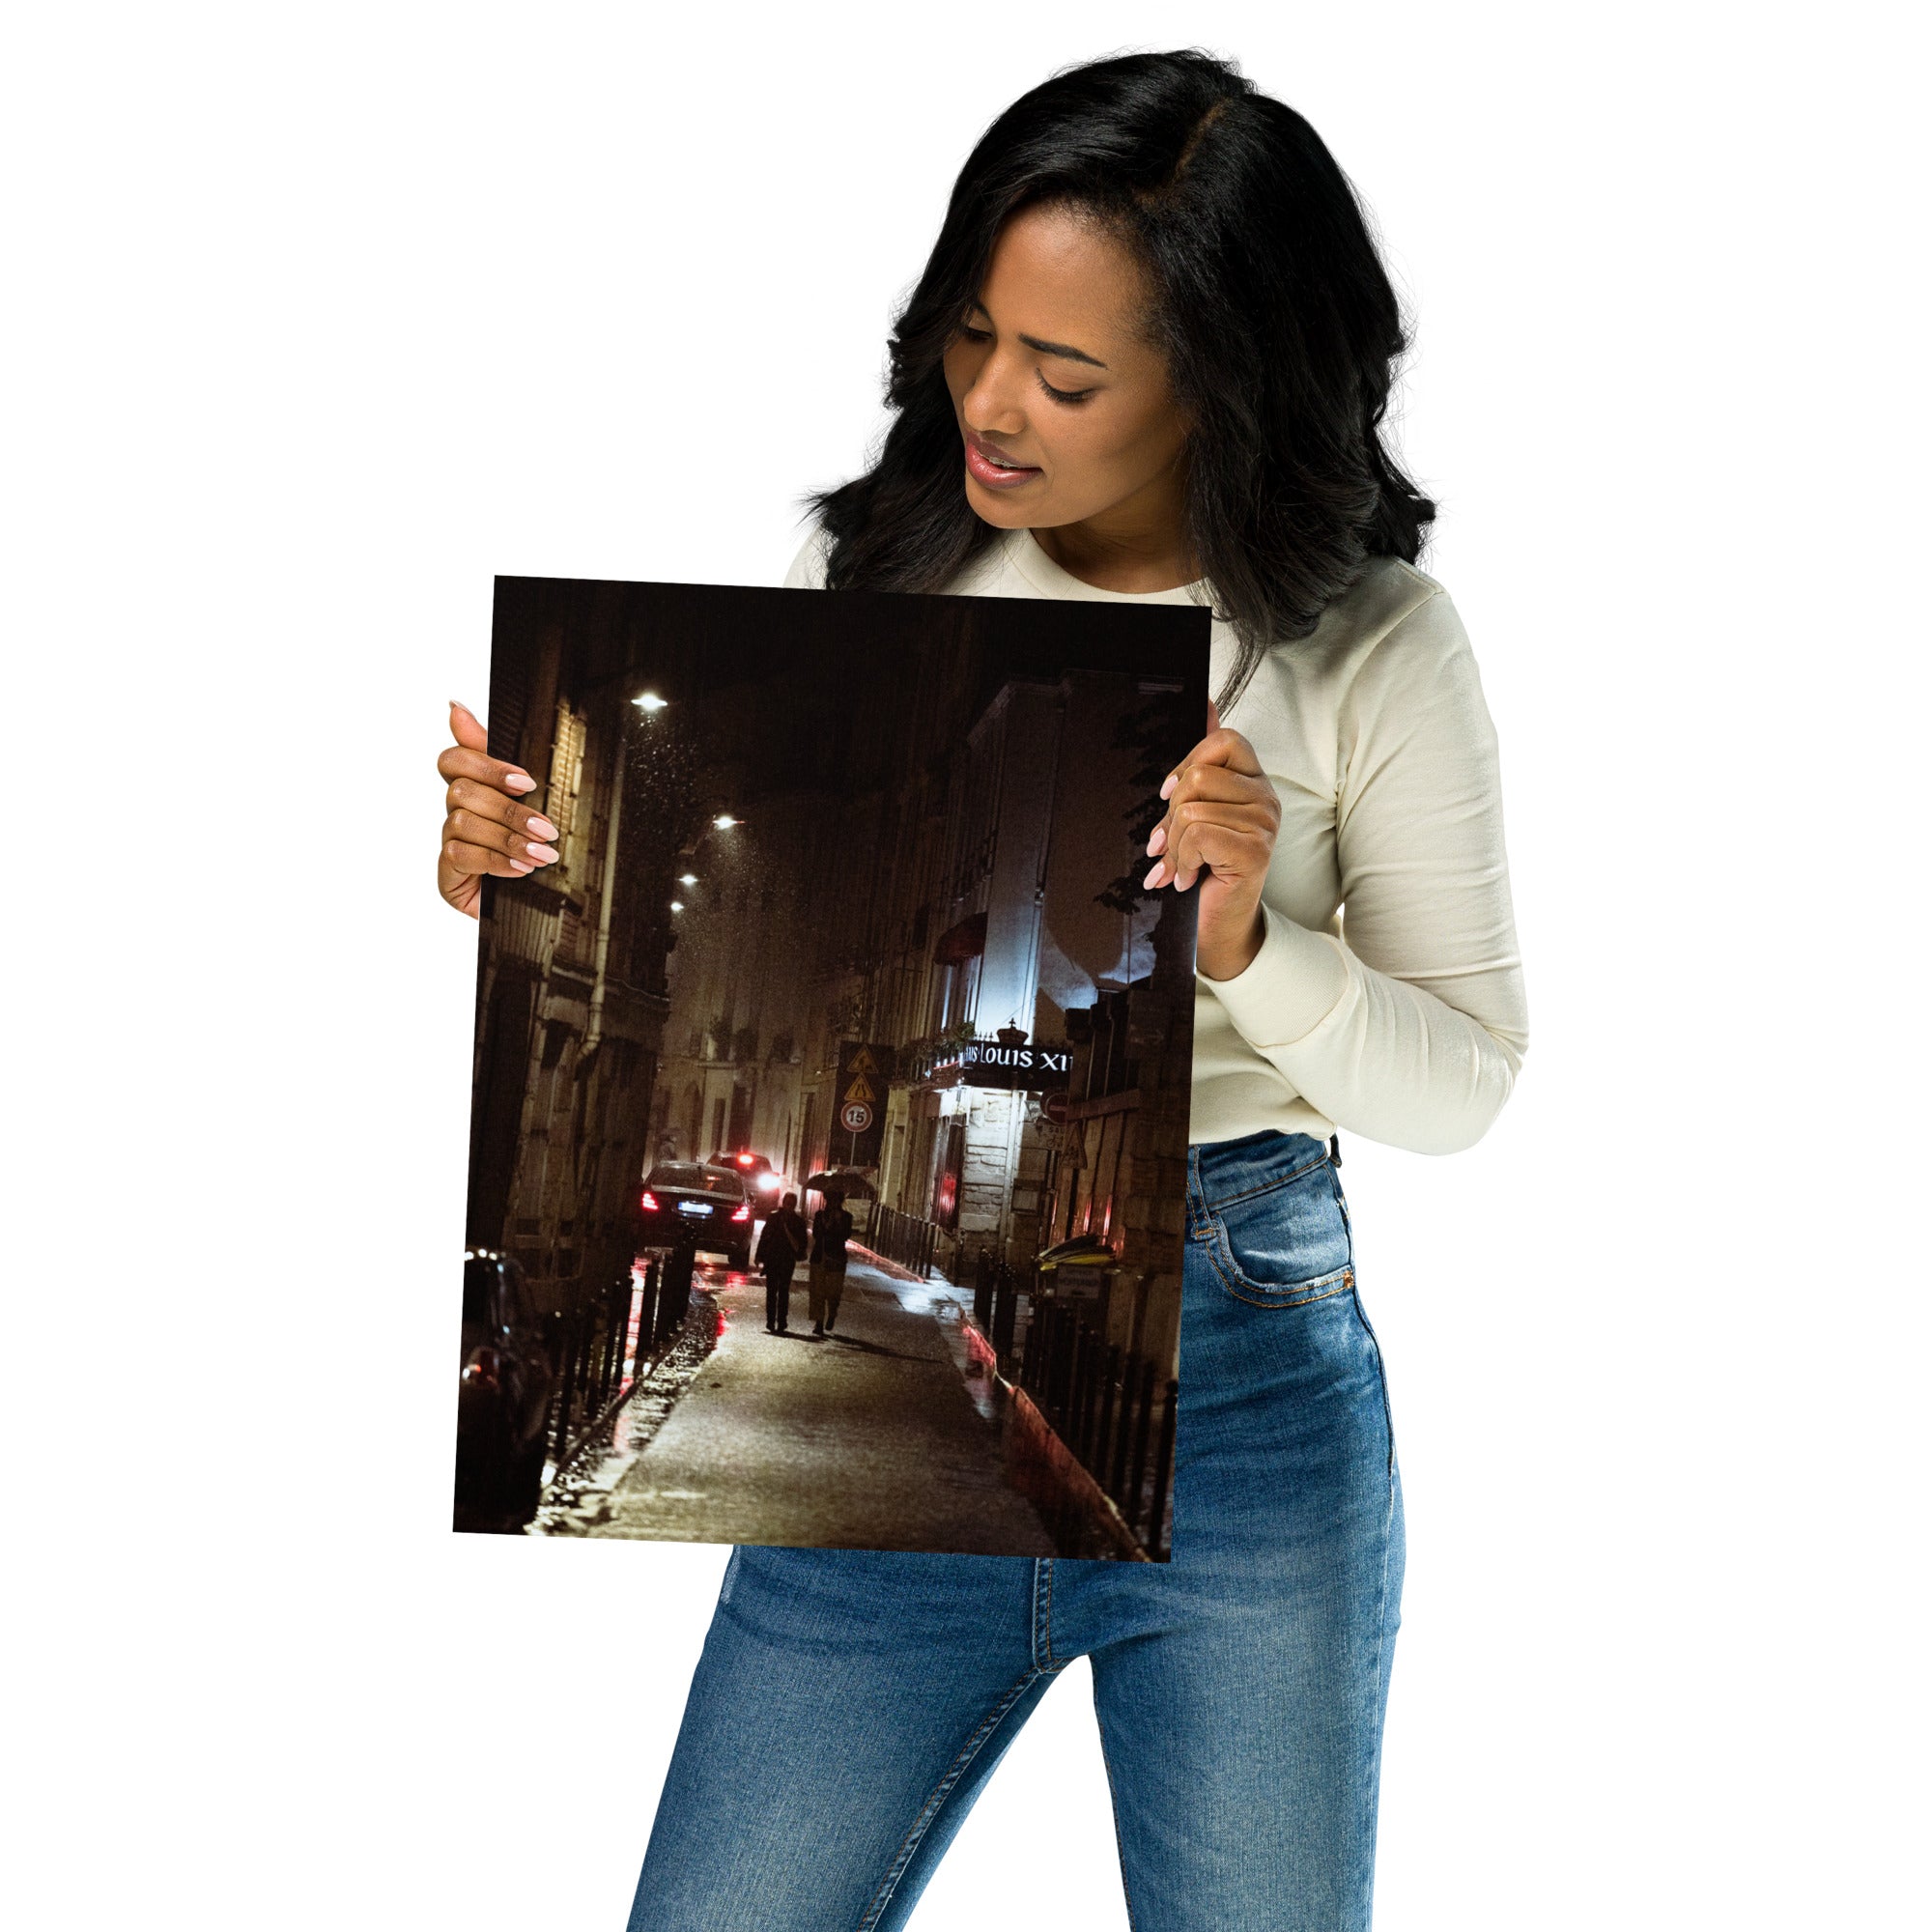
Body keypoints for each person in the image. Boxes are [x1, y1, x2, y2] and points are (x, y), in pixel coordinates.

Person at [436, 49, 1526, 1930]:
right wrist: (532, 885)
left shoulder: (1365, 644)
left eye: (1067, 371)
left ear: (1223, 385)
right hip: (891, 1422)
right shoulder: (879, 567)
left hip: (1252, 1383)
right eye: (969, 337)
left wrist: (1252, 943)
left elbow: (1464, 1085)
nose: (990, 404)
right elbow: (718, 966)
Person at [754, 1190, 806, 1335]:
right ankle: (771, 1320)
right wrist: (759, 1255)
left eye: (792, 1204)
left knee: (783, 1291)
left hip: (787, 1259)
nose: (789, 1206)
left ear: (794, 1205)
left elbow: (801, 1244)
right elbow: (765, 1237)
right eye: (787, 1203)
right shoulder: (773, 1217)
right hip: (772, 1258)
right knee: (771, 1291)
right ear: (783, 1203)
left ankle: (782, 1321)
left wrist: (787, 1230)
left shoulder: (798, 1222)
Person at [806, 1187, 854, 1337]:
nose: (832, 1203)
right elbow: (816, 1234)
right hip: (819, 1256)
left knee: (834, 1292)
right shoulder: (820, 1215)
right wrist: (826, 1225)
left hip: (837, 1257)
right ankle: (819, 1322)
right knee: (817, 1291)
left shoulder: (846, 1217)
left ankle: (832, 1313)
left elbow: (845, 1236)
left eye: (836, 1200)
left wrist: (838, 1222)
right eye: (830, 1200)